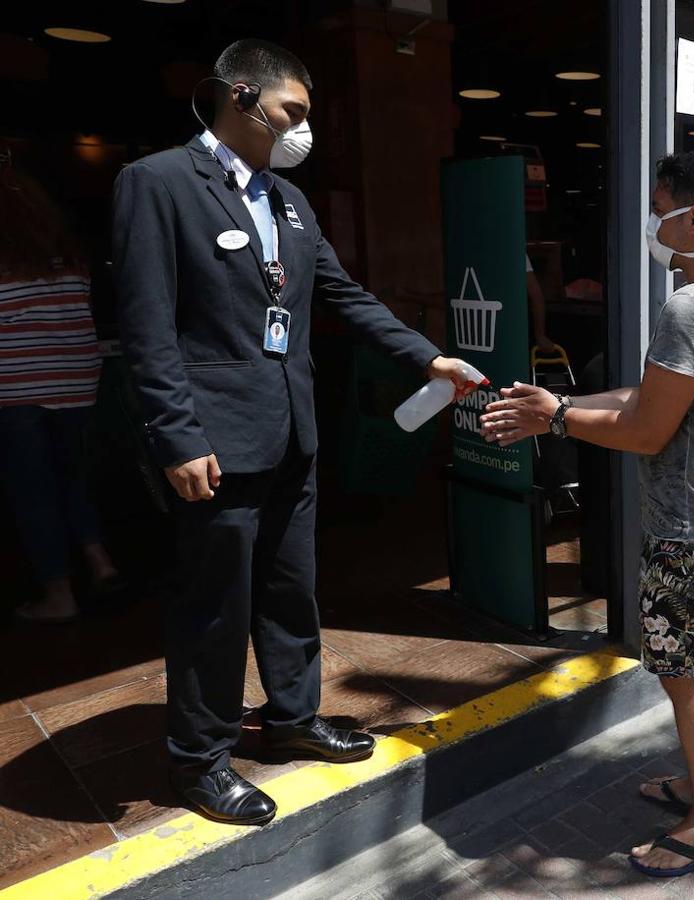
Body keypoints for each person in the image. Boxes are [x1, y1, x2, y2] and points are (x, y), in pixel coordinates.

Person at [112, 40, 477, 826]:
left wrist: (427, 355)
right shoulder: (160, 183)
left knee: (289, 590)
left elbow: (342, 294)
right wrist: (175, 436)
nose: (302, 129)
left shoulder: (288, 201)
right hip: (213, 439)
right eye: (294, 112)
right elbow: (146, 327)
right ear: (240, 98)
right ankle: (200, 758)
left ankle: (290, 718)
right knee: (214, 606)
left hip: (291, 433)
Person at [481, 150, 694, 878]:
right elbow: (650, 401)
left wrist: (562, 418)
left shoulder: (692, 305)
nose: (652, 221)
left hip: (691, 526)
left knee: (686, 674)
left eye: (661, 205)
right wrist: (556, 412)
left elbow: (645, 432)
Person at [0, 161, 123, 624]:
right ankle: (101, 565)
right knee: (71, 478)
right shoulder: (68, 252)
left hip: (16, 386)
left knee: (32, 492)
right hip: (75, 381)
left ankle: (58, 595)